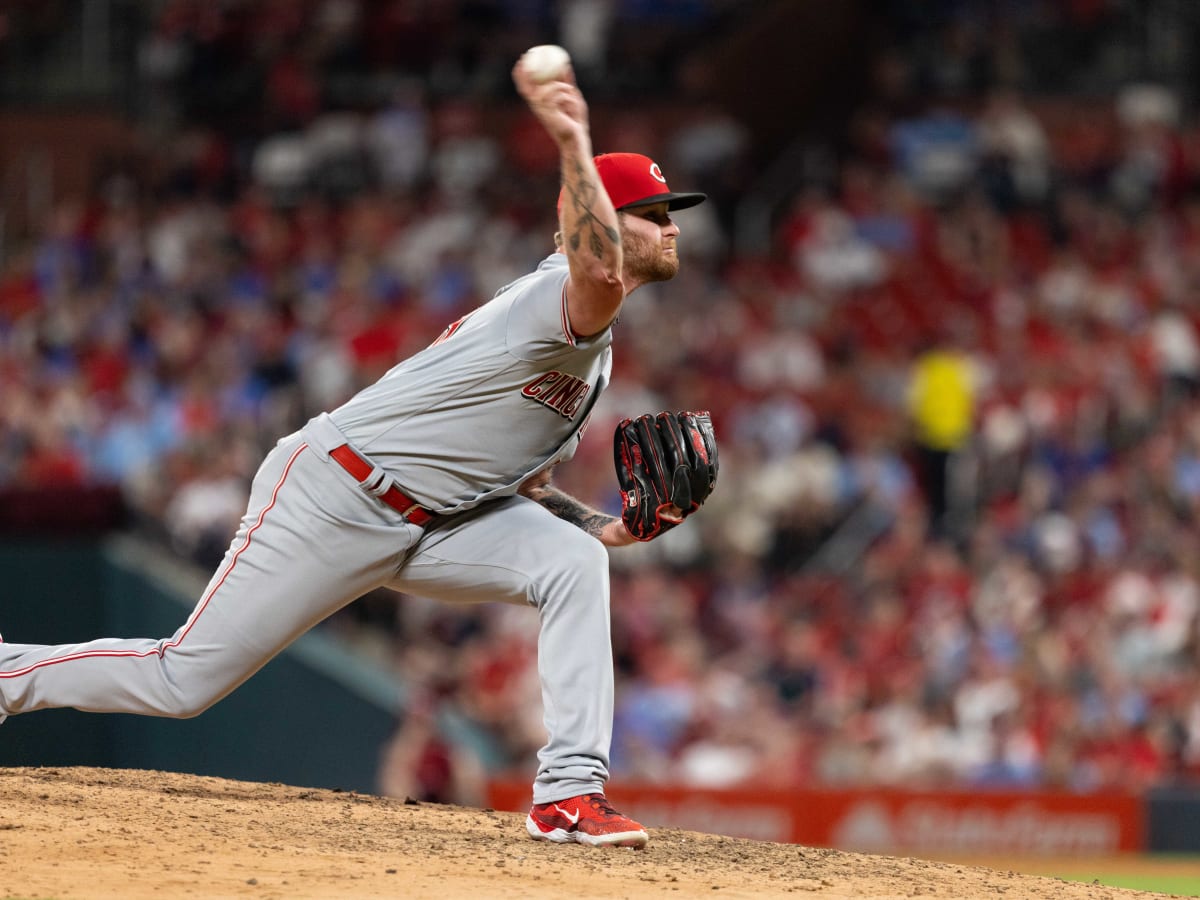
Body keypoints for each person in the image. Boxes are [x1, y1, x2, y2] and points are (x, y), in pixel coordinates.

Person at [0, 53, 712, 849]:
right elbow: (594, 258)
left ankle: (569, 795)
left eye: (668, 210)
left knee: (575, 566)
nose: (671, 223)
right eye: (650, 211)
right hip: (335, 493)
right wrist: (572, 141)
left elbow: (527, 481)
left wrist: (605, 528)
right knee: (181, 680)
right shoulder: (562, 296)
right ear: (603, 222)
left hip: (437, 521)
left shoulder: (593, 349)